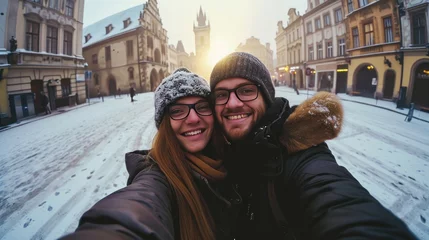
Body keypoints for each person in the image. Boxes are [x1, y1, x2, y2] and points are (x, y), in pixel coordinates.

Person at [209, 52, 417, 239]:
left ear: (266, 97)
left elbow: (335, 197)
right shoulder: (216, 154)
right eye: (221, 94)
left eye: (246, 90)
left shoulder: (300, 155)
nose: (233, 103)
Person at [60, 68, 240, 240]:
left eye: (202, 107)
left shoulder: (231, 160)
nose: (193, 118)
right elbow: (137, 209)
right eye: (177, 111)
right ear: (164, 124)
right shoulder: (157, 177)